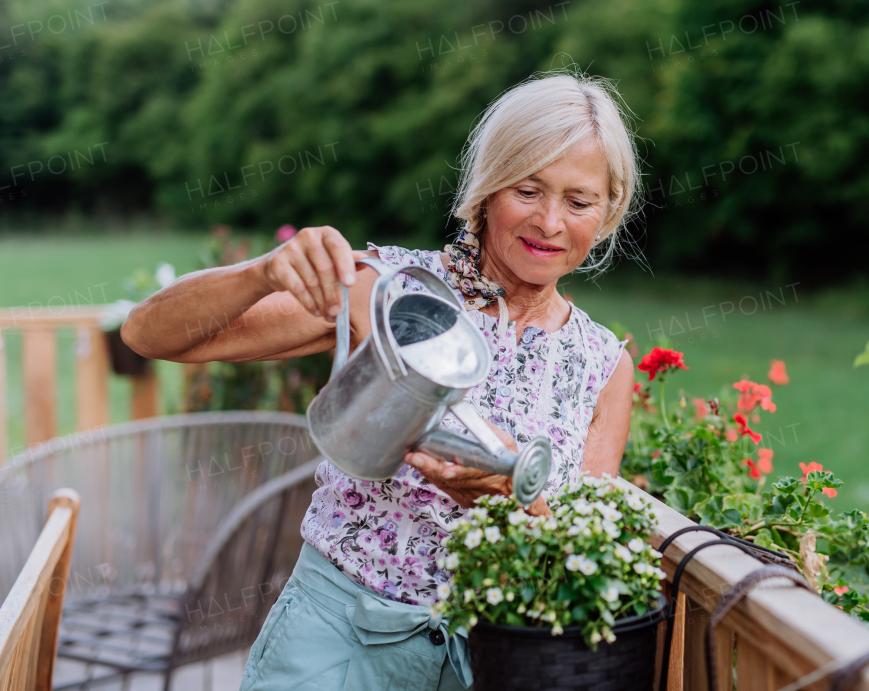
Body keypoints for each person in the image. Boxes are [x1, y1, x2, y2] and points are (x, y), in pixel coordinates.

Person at [121, 72, 640, 690]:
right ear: (487, 187)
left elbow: (581, 547)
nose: (550, 221)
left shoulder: (602, 364)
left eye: (578, 202)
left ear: (606, 213)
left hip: (490, 663)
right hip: (335, 646)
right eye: (527, 190)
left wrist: (504, 495)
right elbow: (150, 335)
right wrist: (263, 273)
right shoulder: (391, 290)